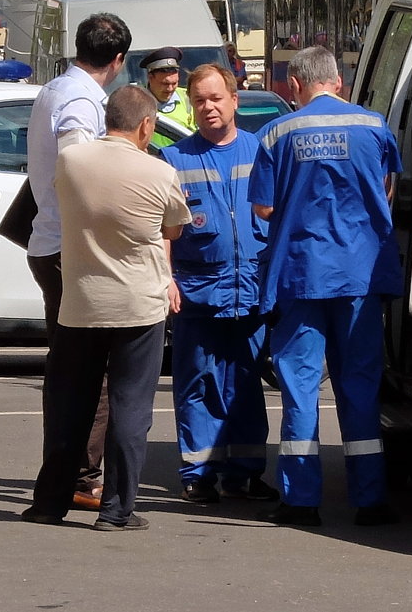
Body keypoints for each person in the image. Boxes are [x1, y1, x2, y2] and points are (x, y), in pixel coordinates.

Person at [21, 85, 191, 531]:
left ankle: (48, 503)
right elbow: (173, 230)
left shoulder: (71, 162)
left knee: (70, 404)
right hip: (139, 304)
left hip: (80, 302)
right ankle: (117, 510)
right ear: (146, 125)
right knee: (130, 407)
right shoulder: (160, 172)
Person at [248, 45, 402, 528]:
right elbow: (388, 189)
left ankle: (301, 500)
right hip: (360, 273)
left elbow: (264, 209)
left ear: (295, 86)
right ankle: (370, 500)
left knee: (299, 387)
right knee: (359, 386)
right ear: (338, 82)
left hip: (300, 274)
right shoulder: (375, 127)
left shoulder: (276, 133)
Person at [26, 12, 132, 512]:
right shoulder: (80, 101)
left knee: (74, 368)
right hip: (70, 248)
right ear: (118, 61)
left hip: (53, 243)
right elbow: (76, 164)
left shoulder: (56, 88)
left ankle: (71, 474)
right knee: (91, 373)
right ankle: (82, 476)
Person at [159, 64, 278, 505]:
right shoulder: (174, 159)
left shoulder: (260, 151)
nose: (208, 108)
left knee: (246, 384)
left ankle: (243, 474)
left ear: (234, 100)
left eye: (215, 99)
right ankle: (199, 473)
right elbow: (162, 232)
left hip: (252, 292)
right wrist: (167, 280)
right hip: (198, 294)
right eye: (199, 101)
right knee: (198, 384)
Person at [141, 46, 195, 148]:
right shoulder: (137, 101)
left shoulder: (189, 97)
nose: (170, 89)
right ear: (150, 77)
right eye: (165, 84)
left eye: (174, 83)